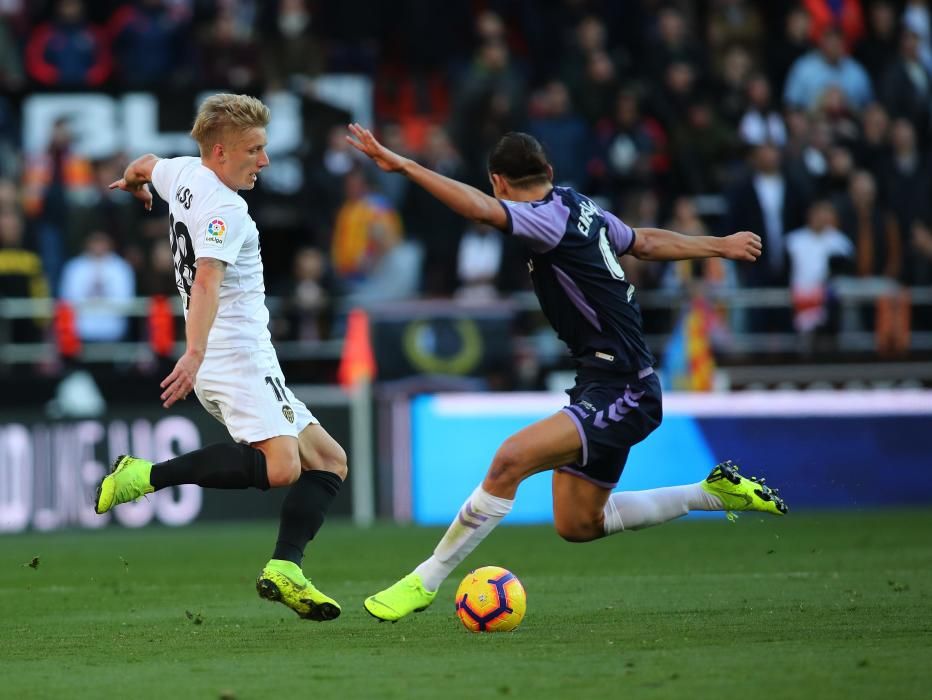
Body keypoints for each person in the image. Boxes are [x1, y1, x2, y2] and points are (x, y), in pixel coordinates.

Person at [346, 126, 787, 622]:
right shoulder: (581, 206)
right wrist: (719, 244)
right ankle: (710, 492)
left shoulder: (545, 219)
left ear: (499, 182)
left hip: (625, 386)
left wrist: (405, 165)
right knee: (578, 523)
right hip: (606, 381)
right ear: (549, 173)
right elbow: (643, 241)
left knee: (509, 460)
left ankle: (424, 580)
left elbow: (476, 209)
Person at [97, 94, 347, 622]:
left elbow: (144, 165)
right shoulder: (227, 211)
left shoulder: (182, 171)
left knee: (328, 460)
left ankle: (286, 568)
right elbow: (207, 281)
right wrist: (193, 354)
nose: (265, 161)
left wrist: (135, 185)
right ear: (220, 151)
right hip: (230, 353)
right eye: (254, 150)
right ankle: (144, 475)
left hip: (246, 355)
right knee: (283, 467)